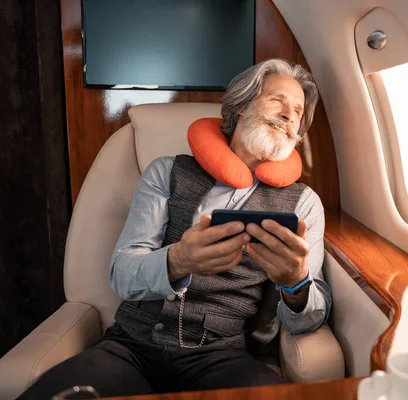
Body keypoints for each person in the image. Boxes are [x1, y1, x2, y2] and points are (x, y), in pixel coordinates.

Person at [18, 59, 332, 399]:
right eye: (278, 101)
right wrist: (178, 259)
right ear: (241, 106)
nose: (289, 117)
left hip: (221, 356)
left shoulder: (304, 204)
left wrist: (296, 283)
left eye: (298, 112)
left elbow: (307, 321)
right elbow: (121, 274)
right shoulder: (165, 173)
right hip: (132, 348)